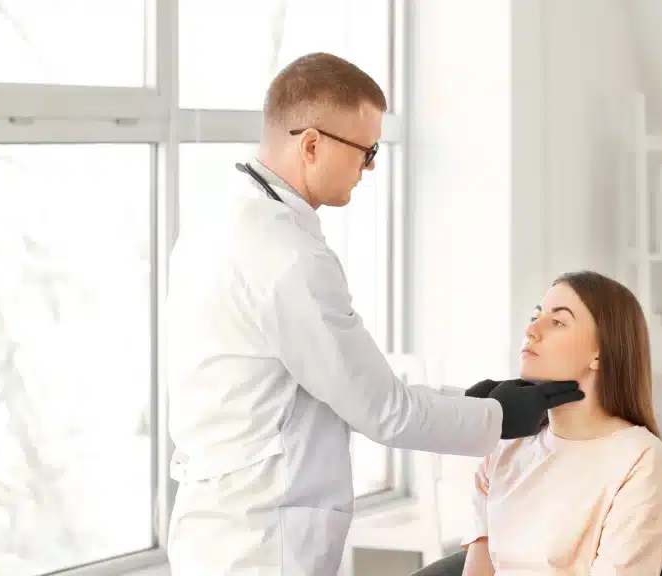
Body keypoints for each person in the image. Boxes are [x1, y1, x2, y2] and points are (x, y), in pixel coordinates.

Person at [164, 52, 583, 575]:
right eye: (366, 150)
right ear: (312, 144)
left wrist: (473, 400)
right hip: (263, 544)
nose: (372, 166)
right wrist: (498, 418)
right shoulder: (287, 257)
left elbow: (341, 386)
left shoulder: (219, 223)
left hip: (218, 528)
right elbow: (381, 410)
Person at [461, 271, 662, 576]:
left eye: (557, 322)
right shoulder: (504, 447)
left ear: (601, 353)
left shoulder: (641, 461)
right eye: (535, 316)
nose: (531, 329)